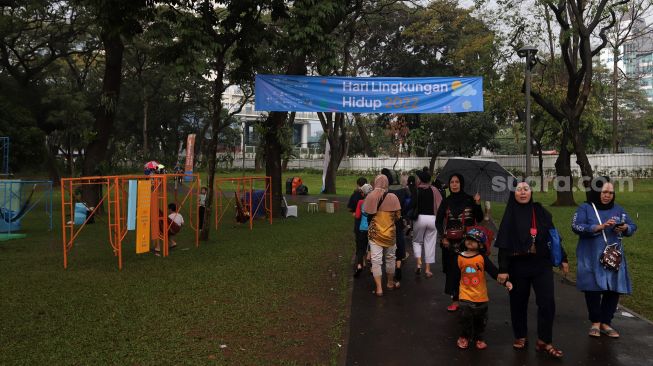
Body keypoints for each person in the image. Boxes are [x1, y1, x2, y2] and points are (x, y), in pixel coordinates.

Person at [495, 180, 568, 359]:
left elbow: (553, 235)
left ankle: (545, 340)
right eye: (519, 190)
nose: (522, 192)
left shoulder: (540, 211)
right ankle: (520, 335)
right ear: (514, 193)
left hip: (541, 265)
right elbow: (503, 244)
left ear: (531, 192)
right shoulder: (509, 214)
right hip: (517, 266)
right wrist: (503, 269)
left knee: (547, 302)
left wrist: (563, 258)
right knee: (518, 302)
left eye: (526, 189)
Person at [571, 176, 637, 339]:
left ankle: (606, 322)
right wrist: (598, 227)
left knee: (613, 289)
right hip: (591, 256)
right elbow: (575, 226)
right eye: (604, 192)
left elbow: (632, 226)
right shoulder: (585, 208)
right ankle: (595, 322)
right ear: (596, 191)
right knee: (592, 289)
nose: (607, 195)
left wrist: (625, 227)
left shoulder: (618, 209)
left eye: (611, 192)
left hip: (613, 257)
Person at [457, 228, 512, 350]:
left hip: (480, 295)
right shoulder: (460, 257)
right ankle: (464, 336)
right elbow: (456, 274)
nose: (470, 242)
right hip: (465, 294)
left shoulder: (482, 258)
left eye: (474, 240)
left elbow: (493, 272)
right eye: (468, 239)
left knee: (480, 320)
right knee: (465, 317)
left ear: (480, 244)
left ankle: (478, 337)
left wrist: (505, 283)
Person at [436, 173, 483, 312]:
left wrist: (478, 203)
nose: (454, 184)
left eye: (457, 182)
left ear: (461, 184)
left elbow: (479, 218)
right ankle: (455, 300)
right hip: (449, 243)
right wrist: (442, 237)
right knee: (452, 271)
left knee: (468, 271)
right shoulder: (446, 201)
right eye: (452, 182)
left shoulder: (470, 199)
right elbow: (438, 221)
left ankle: (468, 298)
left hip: (467, 242)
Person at [363, 174, 402, 297]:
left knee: (376, 261)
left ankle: (379, 288)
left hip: (375, 234)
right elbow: (398, 216)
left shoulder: (370, 196)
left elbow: (367, 213)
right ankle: (390, 283)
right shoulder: (393, 197)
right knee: (390, 259)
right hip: (390, 234)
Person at [381, 168, 410, 288]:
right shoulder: (403, 190)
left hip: (385, 221)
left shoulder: (383, 191)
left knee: (386, 245)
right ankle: (398, 266)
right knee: (399, 240)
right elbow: (408, 202)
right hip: (398, 220)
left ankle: (379, 267)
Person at [411, 170, 442, 278]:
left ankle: (419, 263)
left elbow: (412, 204)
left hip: (419, 219)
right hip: (433, 219)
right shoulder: (434, 190)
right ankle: (428, 269)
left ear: (420, 179)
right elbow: (440, 205)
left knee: (417, 241)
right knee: (430, 243)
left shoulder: (416, 190)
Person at [353, 183, 374, 277]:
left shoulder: (361, 202)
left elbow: (357, 216)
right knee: (373, 249)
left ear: (363, 193)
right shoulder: (375, 202)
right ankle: (372, 268)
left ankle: (359, 265)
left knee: (361, 248)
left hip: (362, 228)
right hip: (372, 228)